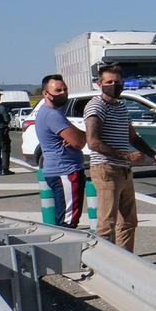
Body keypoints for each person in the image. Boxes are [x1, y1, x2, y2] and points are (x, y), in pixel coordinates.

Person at [83, 65, 156, 251]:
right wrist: (126, 155)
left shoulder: (120, 106)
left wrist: (152, 153)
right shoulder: (96, 106)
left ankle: (126, 260)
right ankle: (100, 262)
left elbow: (132, 137)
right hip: (106, 169)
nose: (113, 85)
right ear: (99, 84)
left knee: (128, 221)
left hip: (123, 169)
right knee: (107, 223)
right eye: (109, 82)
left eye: (117, 82)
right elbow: (93, 142)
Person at [33, 74, 87, 227]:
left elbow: (75, 139)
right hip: (66, 171)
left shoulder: (50, 112)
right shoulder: (53, 115)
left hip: (59, 170)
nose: (63, 93)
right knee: (68, 222)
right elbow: (79, 142)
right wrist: (81, 134)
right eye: (58, 90)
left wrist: (75, 135)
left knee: (64, 217)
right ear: (45, 93)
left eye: (65, 89)